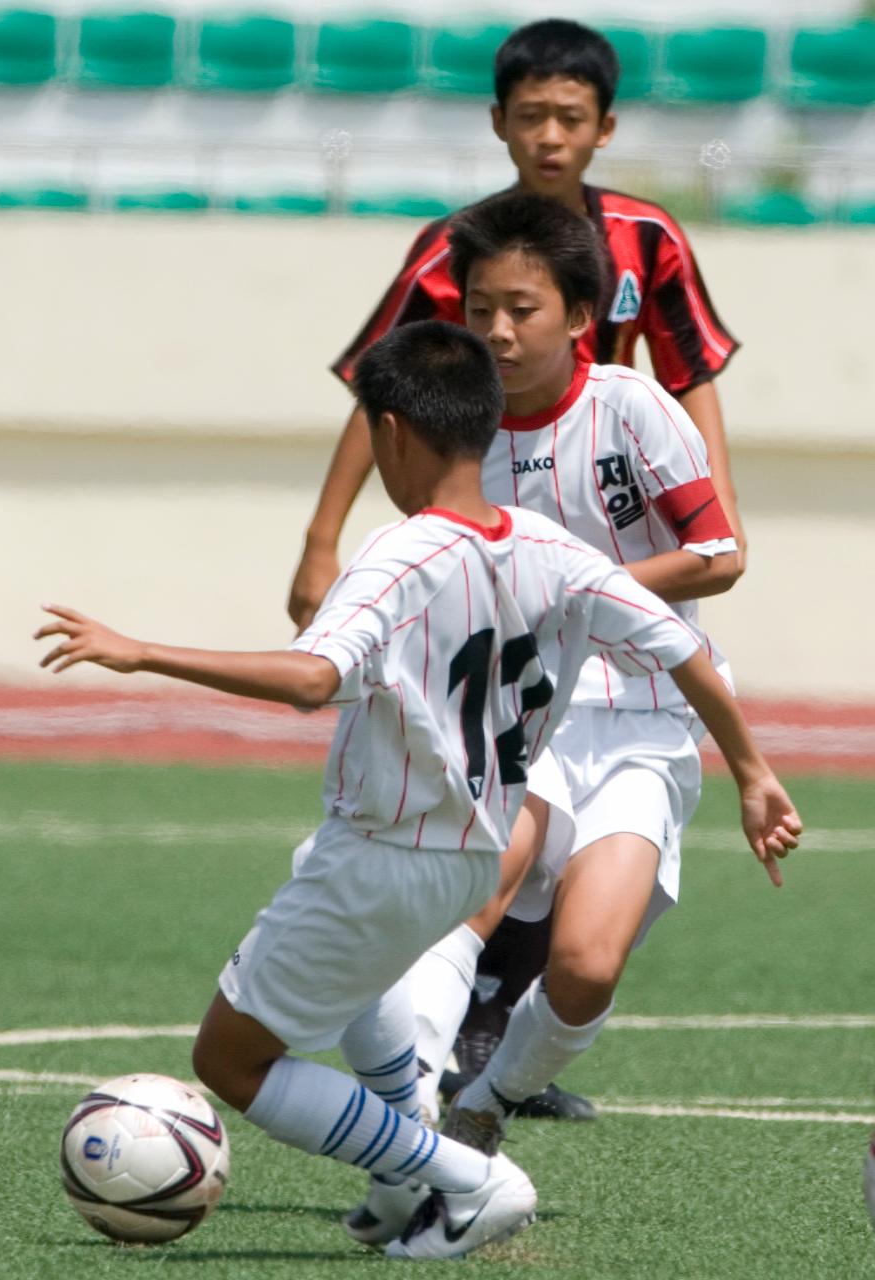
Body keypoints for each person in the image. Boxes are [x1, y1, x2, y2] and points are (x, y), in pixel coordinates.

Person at [34, 321, 799, 1261]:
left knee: (227, 1060)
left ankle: (467, 1178)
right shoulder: (553, 550)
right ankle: (404, 1181)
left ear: (392, 431)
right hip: (472, 858)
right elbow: (685, 649)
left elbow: (315, 678)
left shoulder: (400, 553)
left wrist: (143, 651)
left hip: (383, 853)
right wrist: (753, 772)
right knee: (364, 1001)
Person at [287, 17, 747, 1121]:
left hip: (617, 541)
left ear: (603, 129)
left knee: (571, 906)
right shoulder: (458, 249)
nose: (548, 135)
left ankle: (480, 1062)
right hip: (519, 575)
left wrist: (706, 510)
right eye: (529, 115)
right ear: (497, 123)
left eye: (568, 117)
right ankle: (427, 1077)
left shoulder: (645, 245)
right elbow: (386, 388)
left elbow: (687, 380)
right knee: (486, 848)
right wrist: (322, 537)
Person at [379, 192, 780, 1254]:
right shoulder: (450, 428)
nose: (498, 331)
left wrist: (575, 585)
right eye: (480, 308)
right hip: (528, 716)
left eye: (522, 307)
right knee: (482, 882)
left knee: (587, 967)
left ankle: (490, 1097)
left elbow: (721, 554)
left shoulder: (632, 407)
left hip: (647, 715)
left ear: (578, 312)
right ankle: (408, 1119)